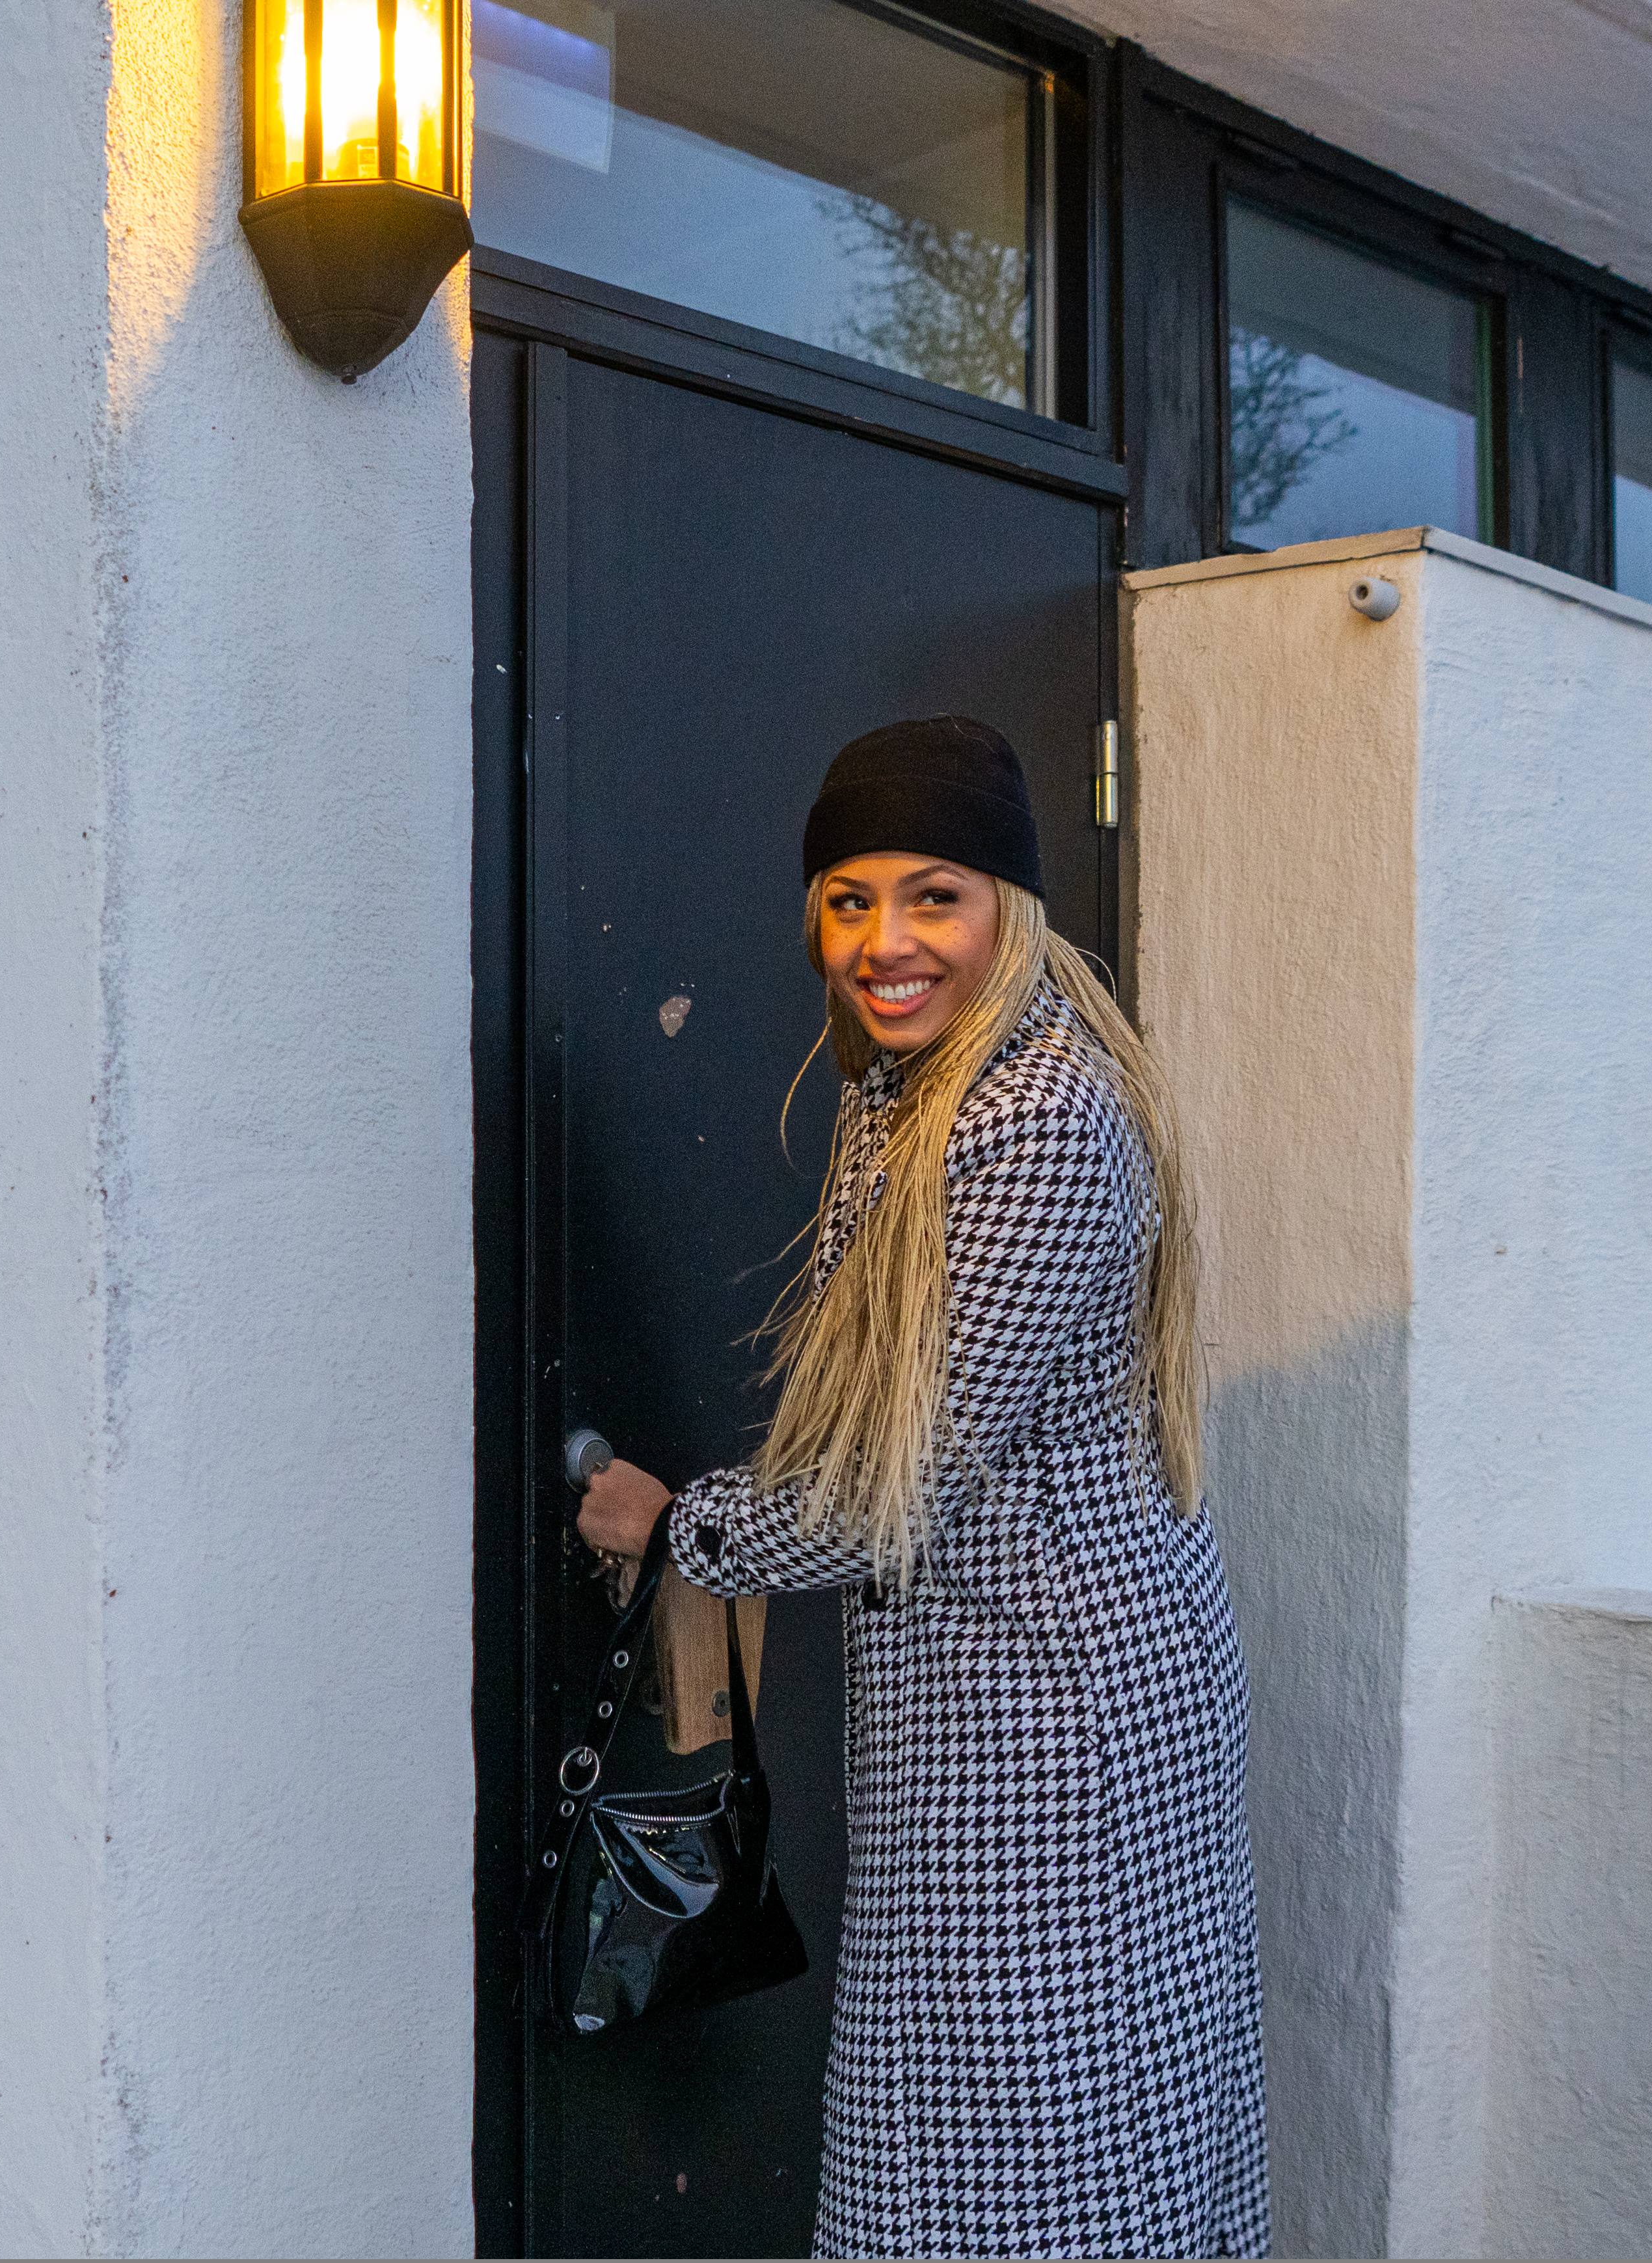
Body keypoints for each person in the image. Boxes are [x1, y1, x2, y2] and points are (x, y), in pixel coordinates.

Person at [571, 716, 1270, 2260]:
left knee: (1040, 2165)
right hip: (988, 1703)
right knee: (993, 2152)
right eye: (849, 899)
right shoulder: (913, 1087)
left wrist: (679, 1525)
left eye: (932, 894)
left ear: (1008, 903)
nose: (883, 940)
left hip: (1058, 1733)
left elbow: (884, 1487)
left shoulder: (1040, 1119)